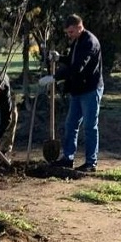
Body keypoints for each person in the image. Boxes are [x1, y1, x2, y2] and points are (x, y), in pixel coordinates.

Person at [39, 14, 104, 173]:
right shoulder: (78, 41)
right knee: (71, 125)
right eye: (67, 32)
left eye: (71, 32)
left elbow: (78, 67)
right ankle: (68, 158)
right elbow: (73, 61)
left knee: (90, 127)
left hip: (90, 90)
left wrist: (54, 77)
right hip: (77, 91)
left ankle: (91, 163)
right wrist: (60, 57)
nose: (69, 35)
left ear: (80, 27)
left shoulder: (90, 42)